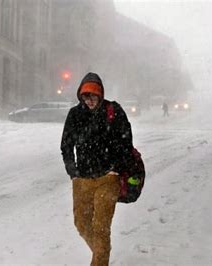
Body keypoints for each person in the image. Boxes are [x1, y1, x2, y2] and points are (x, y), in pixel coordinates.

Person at [60, 72, 134, 266]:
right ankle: (102, 252)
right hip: (82, 180)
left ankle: (100, 260)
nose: (90, 100)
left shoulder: (113, 110)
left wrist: (116, 169)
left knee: (100, 227)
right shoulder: (75, 114)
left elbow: (126, 142)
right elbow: (66, 145)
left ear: (101, 94)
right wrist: (73, 172)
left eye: (93, 96)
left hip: (108, 179)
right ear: (80, 96)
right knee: (82, 224)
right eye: (86, 96)